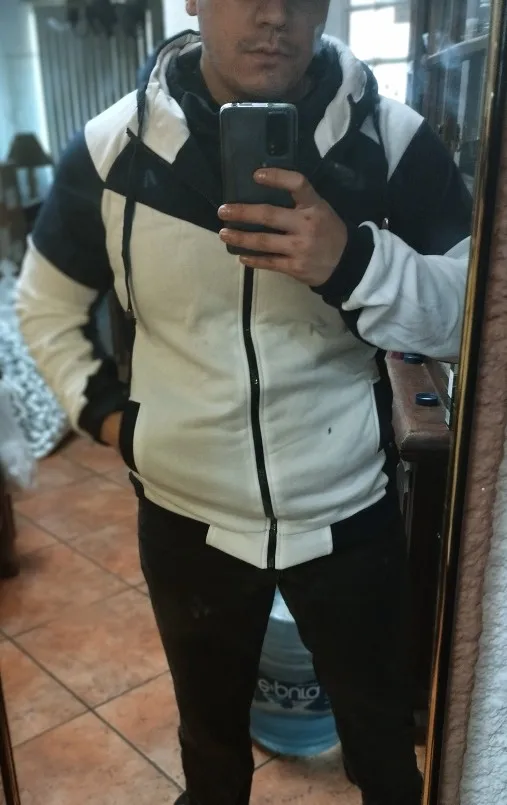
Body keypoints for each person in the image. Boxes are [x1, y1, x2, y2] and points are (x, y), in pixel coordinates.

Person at [16, 1, 472, 803]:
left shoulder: (391, 140)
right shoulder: (112, 149)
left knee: (383, 748)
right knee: (211, 754)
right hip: (186, 516)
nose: (273, 14)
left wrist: (354, 262)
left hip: (348, 508)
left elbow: (473, 315)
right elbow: (44, 305)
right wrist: (115, 421)